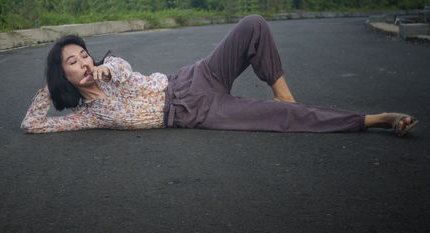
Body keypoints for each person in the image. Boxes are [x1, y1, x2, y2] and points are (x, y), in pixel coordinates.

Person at [21, 15, 418, 136]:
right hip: (194, 112)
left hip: (192, 78)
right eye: (72, 62)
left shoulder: (111, 68)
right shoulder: (89, 117)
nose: (84, 61)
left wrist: (104, 67)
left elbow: (119, 67)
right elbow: (33, 125)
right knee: (277, 124)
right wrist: (49, 87)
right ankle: (375, 119)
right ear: (65, 77)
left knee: (253, 25)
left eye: (83, 54)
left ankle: (287, 99)